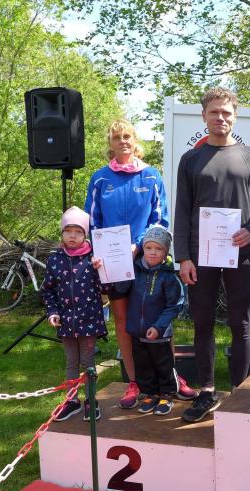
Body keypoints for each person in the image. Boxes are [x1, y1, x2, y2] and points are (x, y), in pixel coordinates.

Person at [174, 87, 250, 423]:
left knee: (239, 321)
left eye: (226, 112)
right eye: (214, 112)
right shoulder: (190, 160)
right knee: (202, 323)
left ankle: (239, 393)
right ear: (204, 115)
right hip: (199, 255)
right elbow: (182, 211)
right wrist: (183, 257)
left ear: (235, 116)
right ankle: (206, 392)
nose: (220, 117)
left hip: (239, 252)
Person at [84, 119, 196, 409]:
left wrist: (139, 245)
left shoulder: (151, 176)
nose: (122, 141)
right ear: (110, 144)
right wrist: (97, 252)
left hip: (148, 258)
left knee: (161, 322)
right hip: (114, 263)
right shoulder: (100, 179)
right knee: (124, 323)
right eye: (117, 137)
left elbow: (160, 219)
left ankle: (170, 379)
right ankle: (135, 381)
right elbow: (92, 222)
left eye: (127, 136)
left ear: (135, 141)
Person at [104, 226, 186, 416]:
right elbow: (121, 289)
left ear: (165, 252)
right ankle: (150, 394)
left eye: (158, 249)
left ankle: (167, 395)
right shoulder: (135, 270)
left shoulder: (168, 276)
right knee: (143, 367)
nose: (153, 252)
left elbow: (174, 305)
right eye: (148, 248)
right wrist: (118, 268)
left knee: (163, 366)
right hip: (137, 332)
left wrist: (158, 327)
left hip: (159, 335)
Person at [40, 206, 107, 421]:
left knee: (88, 363)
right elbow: (48, 290)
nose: (72, 236)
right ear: (61, 233)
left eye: (78, 232)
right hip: (66, 322)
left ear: (85, 235)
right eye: (68, 231)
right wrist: (52, 312)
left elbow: (106, 289)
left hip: (89, 321)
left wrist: (101, 270)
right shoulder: (55, 259)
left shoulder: (94, 258)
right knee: (71, 362)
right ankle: (72, 401)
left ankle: (90, 401)